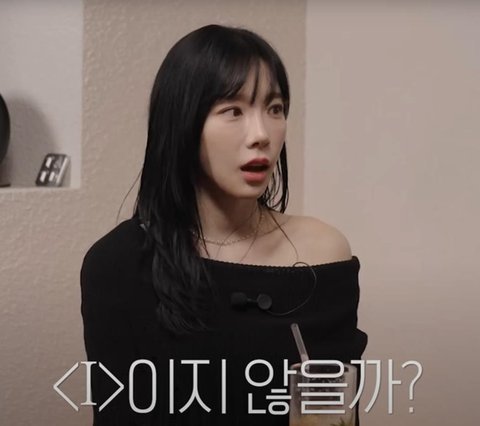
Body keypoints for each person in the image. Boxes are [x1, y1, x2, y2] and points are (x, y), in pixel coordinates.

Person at [81, 24, 367, 426]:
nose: (261, 134)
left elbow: (335, 413)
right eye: (233, 111)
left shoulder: (323, 251)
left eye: (275, 108)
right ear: (183, 123)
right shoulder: (118, 264)